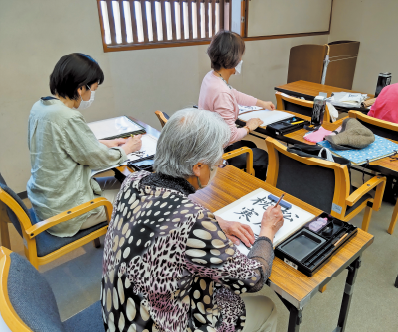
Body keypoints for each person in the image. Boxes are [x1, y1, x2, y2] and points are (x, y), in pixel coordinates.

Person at [101, 108, 283, 332]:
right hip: (159, 324)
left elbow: (161, 214)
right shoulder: (192, 222)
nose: (218, 167)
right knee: (267, 306)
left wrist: (215, 221)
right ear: (198, 167)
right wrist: (267, 231)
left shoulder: (133, 181)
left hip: (120, 314)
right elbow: (254, 279)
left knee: (217, 285)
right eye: (217, 163)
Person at [27, 53, 142, 237]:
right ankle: (129, 256)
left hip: (47, 202)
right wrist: (127, 148)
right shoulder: (68, 117)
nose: (92, 95)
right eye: (93, 89)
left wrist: (106, 142)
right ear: (81, 88)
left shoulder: (41, 108)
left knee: (127, 183)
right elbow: (98, 159)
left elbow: (65, 145)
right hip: (68, 212)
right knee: (140, 197)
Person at [198, 30, 275, 180]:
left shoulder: (212, 77)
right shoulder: (221, 91)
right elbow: (231, 136)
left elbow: (235, 94)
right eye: (240, 56)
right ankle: (248, 189)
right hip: (217, 152)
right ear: (232, 59)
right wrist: (249, 126)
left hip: (210, 141)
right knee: (262, 156)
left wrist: (262, 103)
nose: (241, 59)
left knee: (251, 144)